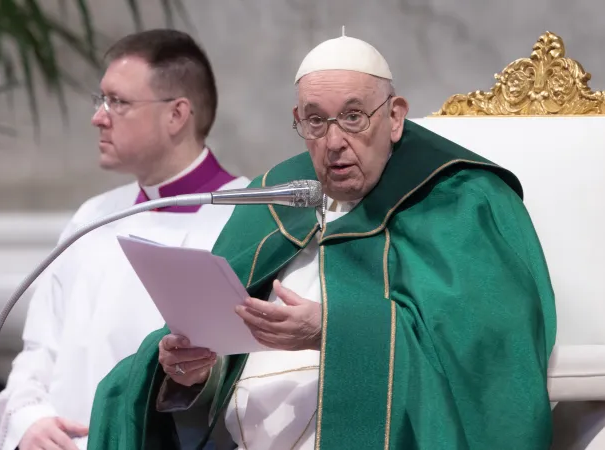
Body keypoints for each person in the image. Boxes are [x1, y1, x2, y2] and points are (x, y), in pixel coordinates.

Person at [87, 31, 556, 450]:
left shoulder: (459, 201)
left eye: (353, 117)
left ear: (395, 117)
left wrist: (332, 331)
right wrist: (194, 374)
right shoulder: (277, 198)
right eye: (315, 121)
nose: (333, 142)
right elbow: (217, 369)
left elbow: (489, 353)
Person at [0, 29, 250, 450]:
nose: (99, 116)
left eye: (118, 102)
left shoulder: (243, 218)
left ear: (176, 114)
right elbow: (38, 348)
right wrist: (28, 420)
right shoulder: (93, 216)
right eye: (101, 100)